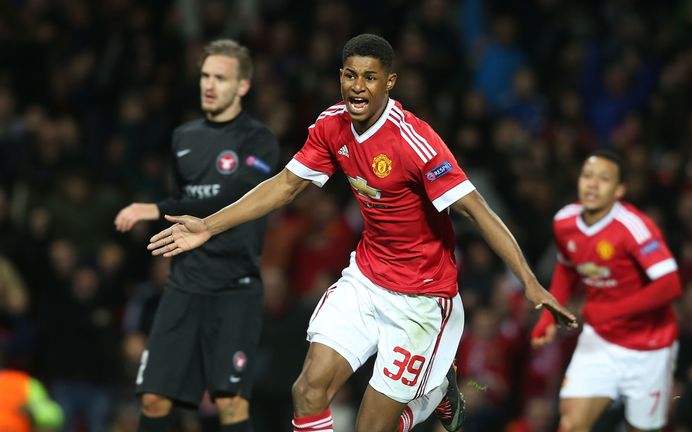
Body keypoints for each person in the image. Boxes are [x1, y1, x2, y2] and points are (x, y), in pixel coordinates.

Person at [147, 34, 577, 432]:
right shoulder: (332, 125)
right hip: (367, 280)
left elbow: (478, 211)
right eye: (350, 75)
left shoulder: (415, 142)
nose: (358, 86)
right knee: (308, 392)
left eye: (370, 77)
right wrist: (207, 225)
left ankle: (439, 392)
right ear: (340, 77)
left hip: (422, 299)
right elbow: (284, 185)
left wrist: (529, 281)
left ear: (389, 81)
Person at [114, 39, 279, 432]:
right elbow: (185, 199)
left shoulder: (260, 140)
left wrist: (153, 209)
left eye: (220, 78)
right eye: (205, 76)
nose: (209, 85)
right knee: (153, 399)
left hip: (235, 287)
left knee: (230, 404)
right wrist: (154, 206)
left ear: (242, 86)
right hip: (185, 284)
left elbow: (236, 194)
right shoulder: (183, 137)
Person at [531, 149, 682, 432]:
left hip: (650, 346)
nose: (592, 184)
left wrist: (608, 311)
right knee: (570, 424)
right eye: (587, 176)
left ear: (619, 190)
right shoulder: (564, 222)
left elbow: (670, 283)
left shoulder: (634, 227)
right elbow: (566, 269)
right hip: (600, 341)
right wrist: (548, 318)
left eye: (604, 179)